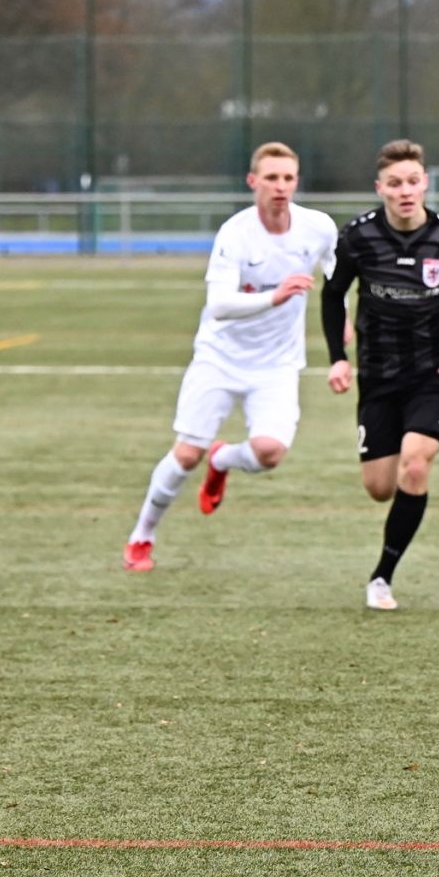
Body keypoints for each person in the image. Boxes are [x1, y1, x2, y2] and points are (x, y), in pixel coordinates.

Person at [123, 142, 338, 571]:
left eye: (288, 178)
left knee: (269, 452)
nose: (280, 186)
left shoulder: (319, 228)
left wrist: (343, 322)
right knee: (187, 455)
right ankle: (142, 536)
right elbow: (219, 304)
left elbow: (337, 277)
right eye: (271, 178)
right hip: (219, 358)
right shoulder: (235, 233)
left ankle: (222, 459)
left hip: (277, 363)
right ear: (253, 181)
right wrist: (275, 297)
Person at [321, 139, 439, 610]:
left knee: (415, 463)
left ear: (425, 183)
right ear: (380, 188)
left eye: (413, 181)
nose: (405, 191)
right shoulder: (357, 237)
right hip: (377, 376)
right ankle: (388, 542)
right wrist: (337, 357)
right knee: (379, 488)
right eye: (395, 183)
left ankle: (381, 577)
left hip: (433, 374)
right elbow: (332, 295)